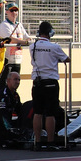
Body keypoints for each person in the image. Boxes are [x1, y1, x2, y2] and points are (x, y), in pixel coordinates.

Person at [28, 21, 70, 150]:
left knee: (38, 113)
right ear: (50, 32)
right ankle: (51, 142)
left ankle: (38, 142)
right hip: (51, 83)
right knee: (50, 113)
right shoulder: (54, 47)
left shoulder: (32, 46)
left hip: (37, 83)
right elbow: (67, 59)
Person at [0, 2, 31, 94]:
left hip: (17, 59)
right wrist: (24, 42)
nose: (14, 13)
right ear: (7, 12)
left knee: (15, 84)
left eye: (16, 10)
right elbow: (10, 39)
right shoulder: (4, 25)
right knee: (4, 83)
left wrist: (29, 39)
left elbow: (26, 36)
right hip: (7, 60)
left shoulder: (19, 25)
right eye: (12, 10)